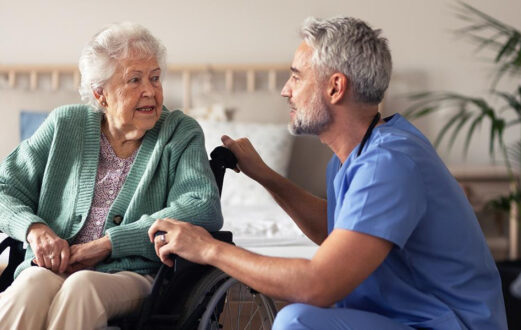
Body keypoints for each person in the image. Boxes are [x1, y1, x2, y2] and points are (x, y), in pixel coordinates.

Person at [148, 16, 507, 329]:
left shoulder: (389, 162)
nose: (286, 91)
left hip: (447, 324)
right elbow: (336, 231)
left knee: (296, 319)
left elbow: (318, 284)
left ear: (335, 87)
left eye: (296, 77)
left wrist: (209, 249)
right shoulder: (353, 155)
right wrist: (266, 176)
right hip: (405, 318)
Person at [0, 22, 222, 329]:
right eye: (134, 80)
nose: (150, 91)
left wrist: (109, 244)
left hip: (135, 275)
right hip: (54, 267)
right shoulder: (65, 125)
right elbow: (4, 187)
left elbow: (202, 206)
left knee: (81, 289)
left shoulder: (179, 133)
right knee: (29, 287)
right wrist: (35, 229)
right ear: (100, 94)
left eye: (155, 78)